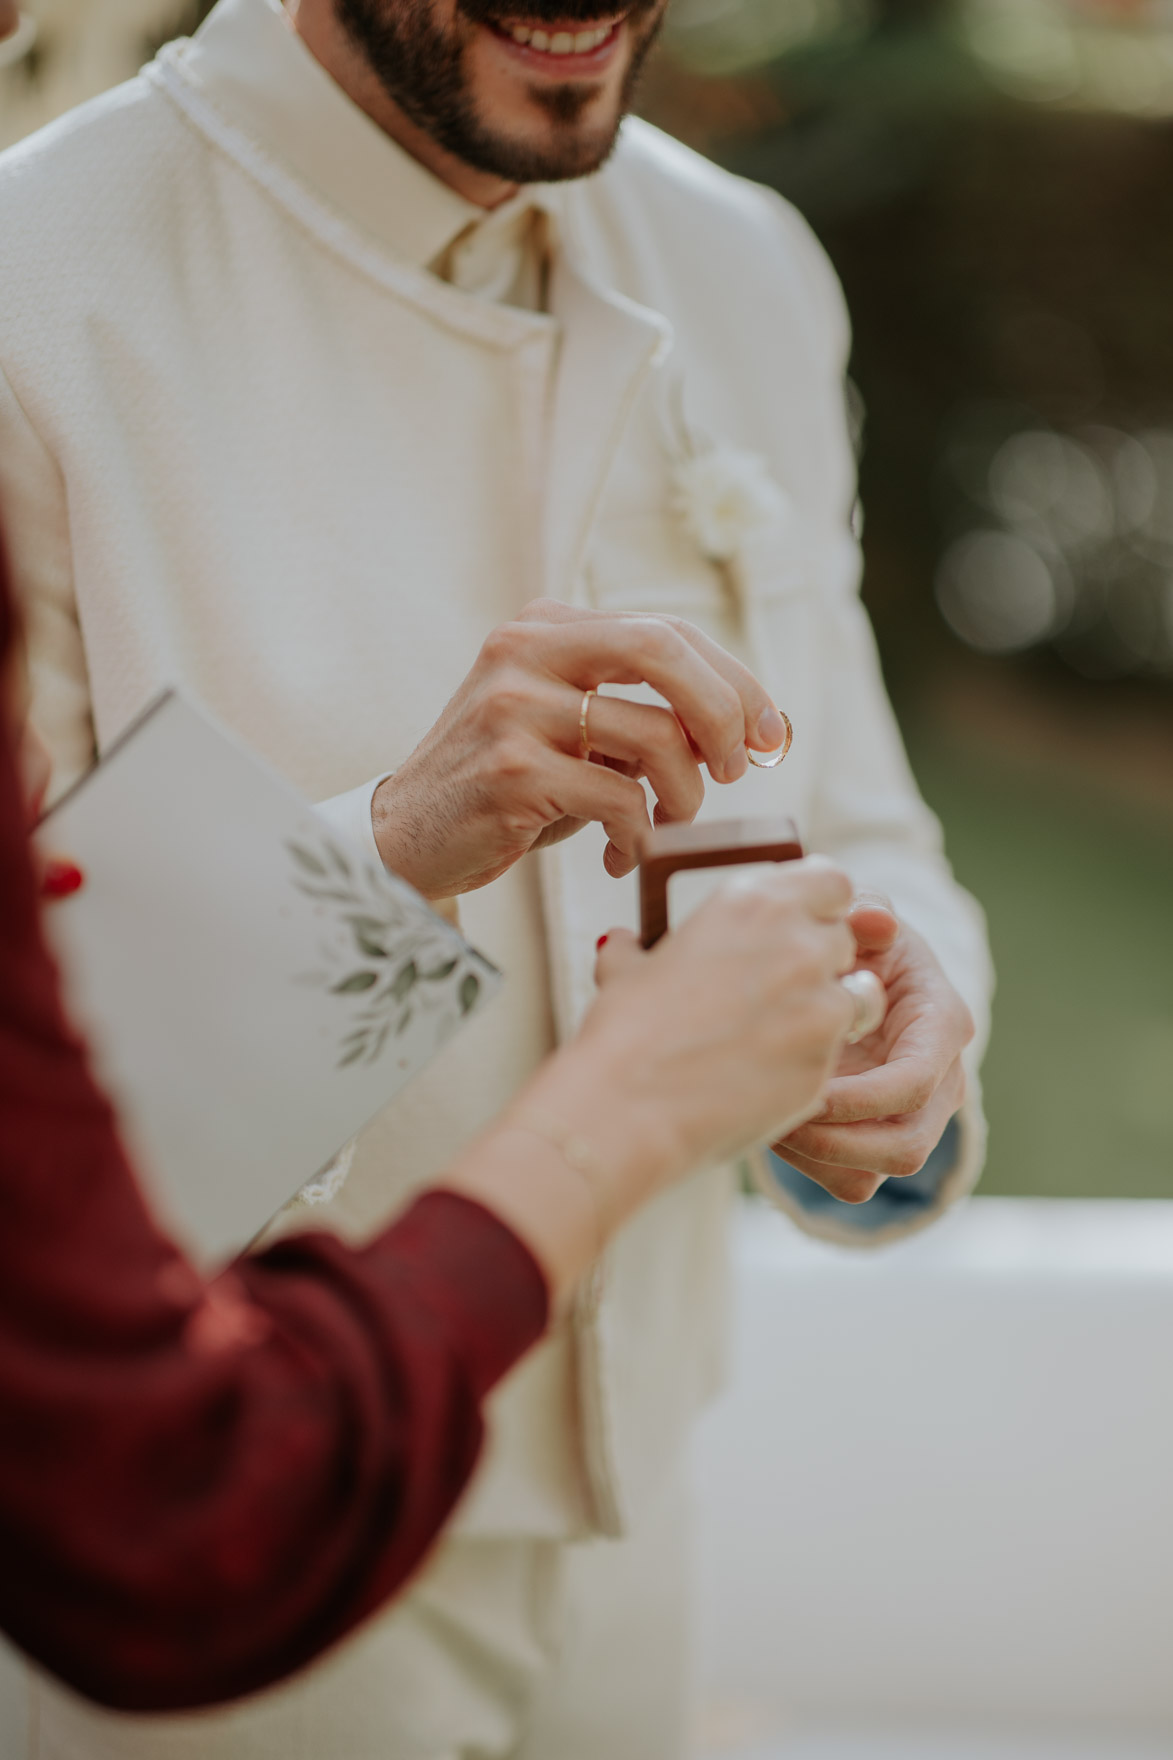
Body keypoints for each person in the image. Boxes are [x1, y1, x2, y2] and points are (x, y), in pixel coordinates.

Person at [0, 0, 992, 1752]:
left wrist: (897, 1021)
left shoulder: (743, 261)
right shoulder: (32, 289)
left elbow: (863, 816)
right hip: (230, 1575)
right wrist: (386, 845)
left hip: (651, 1524)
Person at [0, 540, 864, 1709]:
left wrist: (861, 1016)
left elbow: (870, 817)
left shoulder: (785, 345)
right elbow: (153, 1479)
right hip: (279, 1640)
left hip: (649, 1543)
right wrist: (631, 1102)